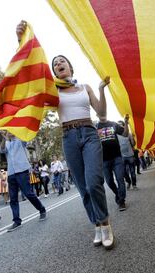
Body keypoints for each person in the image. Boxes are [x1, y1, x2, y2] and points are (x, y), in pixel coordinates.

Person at [17, 20, 115, 250]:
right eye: (55, 64)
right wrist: (21, 40)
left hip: (89, 133)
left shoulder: (85, 87)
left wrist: (101, 89)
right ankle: (97, 225)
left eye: (62, 61)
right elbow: (30, 72)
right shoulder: (53, 90)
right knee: (82, 187)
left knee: (93, 183)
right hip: (69, 137)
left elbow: (101, 114)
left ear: (70, 67)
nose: (58, 64)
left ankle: (107, 224)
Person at [0, 131, 46, 231]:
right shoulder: (7, 142)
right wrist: (4, 137)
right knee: (13, 199)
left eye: (11, 130)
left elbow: (25, 138)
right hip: (11, 173)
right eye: (8, 131)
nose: (9, 132)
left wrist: (15, 133)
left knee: (29, 194)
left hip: (22, 171)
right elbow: (1, 150)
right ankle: (17, 221)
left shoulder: (20, 140)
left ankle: (42, 209)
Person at [97, 114, 129, 211]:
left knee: (120, 179)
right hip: (104, 160)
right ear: (97, 114)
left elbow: (125, 134)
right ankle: (118, 194)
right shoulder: (95, 127)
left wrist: (126, 123)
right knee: (109, 181)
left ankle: (122, 201)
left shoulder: (113, 124)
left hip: (117, 158)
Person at [117, 120, 138, 190]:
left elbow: (133, 144)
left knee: (132, 172)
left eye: (121, 125)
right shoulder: (116, 135)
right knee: (124, 172)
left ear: (124, 126)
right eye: (118, 125)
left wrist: (133, 139)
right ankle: (128, 182)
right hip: (121, 156)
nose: (119, 126)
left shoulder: (128, 134)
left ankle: (134, 185)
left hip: (130, 156)